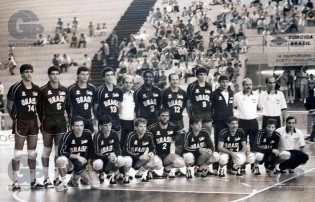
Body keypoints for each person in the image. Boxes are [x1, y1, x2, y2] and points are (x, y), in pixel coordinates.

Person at [7, 64, 43, 190]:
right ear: (21, 74)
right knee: (17, 153)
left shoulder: (37, 89)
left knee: (32, 153)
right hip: (21, 122)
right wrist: (15, 119)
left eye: (30, 71)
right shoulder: (15, 88)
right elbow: (9, 106)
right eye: (26, 72)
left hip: (33, 122)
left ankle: (33, 180)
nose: (29, 74)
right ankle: (15, 181)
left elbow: (39, 107)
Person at [37, 66, 68, 188]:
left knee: (58, 151)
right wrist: (41, 123)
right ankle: (46, 178)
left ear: (59, 75)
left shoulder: (64, 89)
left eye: (57, 74)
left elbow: (68, 107)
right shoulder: (43, 90)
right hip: (47, 122)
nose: (55, 76)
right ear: (49, 75)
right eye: (53, 74)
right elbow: (39, 109)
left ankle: (56, 178)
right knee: (47, 150)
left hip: (61, 122)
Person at [55, 116, 99, 191]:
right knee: (60, 160)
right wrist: (77, 157)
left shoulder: (87, 133)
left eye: (81, 125)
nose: (79, 128)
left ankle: (75, 177)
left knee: (95, 185)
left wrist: (88, 162)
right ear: (72, 127)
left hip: (81, 165)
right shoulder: (67, 135)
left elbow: (91, 149)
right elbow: (61, 151)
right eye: (77, 126)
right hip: (70, 164)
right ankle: (64, 183)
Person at [93, 115, 132, 184]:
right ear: (100, 127)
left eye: (110, 125)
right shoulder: (97, 136)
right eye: (105, 126)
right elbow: (96, 153)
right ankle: (100, 173)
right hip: (102, 161)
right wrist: (107, 156)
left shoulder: (114, 134)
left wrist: (115, 155)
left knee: (121, 159)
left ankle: (111, 173)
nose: (108, 128)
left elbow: (118, 150)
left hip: (111, 160)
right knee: (97, 163)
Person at [148, 108, 185, 178]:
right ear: (159, 117)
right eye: (163, 116)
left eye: (167, 116)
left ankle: (167, 169)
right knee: (156, 163)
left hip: (166, 156)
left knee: (181, 163)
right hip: (155, 155)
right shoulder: (152, 128)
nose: (165, 118)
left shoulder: (173, 126)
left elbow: (178, 136)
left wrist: (180, 134)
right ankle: (150, 170)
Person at [123, 118, 163, 182]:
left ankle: (140, 173)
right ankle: (126, 175)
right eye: (141, 126)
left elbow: (153, 148)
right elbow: (125, 151)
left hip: (140, 161)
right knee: (127, 159)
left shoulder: (149, 135)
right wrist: (138, 156)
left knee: (157, 161)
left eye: (145, 126)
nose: (143, 128)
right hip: (131, 160)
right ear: (136, 127)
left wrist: (152, 153)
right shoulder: (130, 135)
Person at [211, 75, 234, 174]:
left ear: (229, 82)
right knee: (218, 144)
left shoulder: (231, 92)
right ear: (219, 83)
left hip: (229, 123)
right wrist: (215, 119)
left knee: (230, 144)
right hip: (219, 122)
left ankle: (229, 166)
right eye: (223, 82)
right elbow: (211, 108)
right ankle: (215, 167)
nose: (225, 84)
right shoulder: (214, 94)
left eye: (226, 81)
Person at [161, 73, 187, 155]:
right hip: (167, 121)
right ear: (169, 81)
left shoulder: (183, 92)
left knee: (179, 144)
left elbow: (184, 106)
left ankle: (177, 163)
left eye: (176, 79)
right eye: (173, 79)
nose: (175, 81)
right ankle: (166, 162)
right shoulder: (164, 92)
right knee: (165, 142)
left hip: (179, 120)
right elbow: (161, 107)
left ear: (179, 80)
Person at [67, 66, 97, 133]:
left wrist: (95, 123)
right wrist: (70, 122)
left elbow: (95, 107)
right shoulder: (71, 89)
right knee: (76, 142)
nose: (85, 77)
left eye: (87, 74)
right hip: (76, 122)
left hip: (88, 120)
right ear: (78, 75)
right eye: (83, 74)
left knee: (89, 142)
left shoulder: (93, 88)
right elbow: (67, 107)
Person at [234, 78, 259, 155]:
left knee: (254, 144)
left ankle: (253, 166)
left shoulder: (256, 95)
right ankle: (241, 165)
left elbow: (259, 107)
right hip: (242, 122)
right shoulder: (237, 96)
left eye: (250, 84)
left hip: (253, 122)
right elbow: (234, 108)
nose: (249, 86)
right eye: (247, 84)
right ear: (243, 85)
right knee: (241, 144)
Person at [96, 67, 123, 133]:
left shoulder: (119, 90)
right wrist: (99, 119)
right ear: (103, 78)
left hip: (115, 120)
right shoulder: (99, 90)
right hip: (104, 121)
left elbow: (119, 106)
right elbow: (95, 107)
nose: (110, 77)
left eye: (112, 75)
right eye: (107, 75)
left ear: (114, 76)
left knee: (116, 140)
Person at [186, 66, 213, 134]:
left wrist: (211, 113)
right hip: (196, 115)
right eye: (200, 74)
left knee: (207, 137)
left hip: (207, 116)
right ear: (197, 75)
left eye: (204, 74)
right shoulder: (192, 86)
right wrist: (190, 116)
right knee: (195, 137)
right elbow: (188, 102)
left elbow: (211, 101)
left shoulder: (209, 86)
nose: (203, 76)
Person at [119, 75, 135, 149]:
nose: (128, 84)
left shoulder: (134, 94)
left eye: (130, 82)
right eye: (126, 82)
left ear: (132, 84)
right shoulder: (119, 93)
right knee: (121, 143)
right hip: (120, 122)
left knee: (129, 143)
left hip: (131, 122)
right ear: (122, 83)